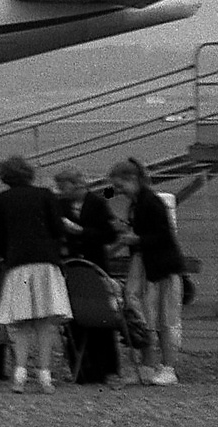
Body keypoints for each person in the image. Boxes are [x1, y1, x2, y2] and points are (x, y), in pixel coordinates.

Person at [0, 155, 71, 394]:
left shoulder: (1, 199)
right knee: (46, 322)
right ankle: (45, 375)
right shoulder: (46, 195)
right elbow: (57, 229)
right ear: (28, 173)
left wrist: (7, 256)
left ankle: (20, 373)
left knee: (21, 322)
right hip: (45, 263)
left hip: (18, 264)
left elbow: (0, 236)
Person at [109, 158, 183, 386]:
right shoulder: (138, 203)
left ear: (133, 180)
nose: (118, 192)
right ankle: (147, 368)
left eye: (120, 186)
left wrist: (136, 238)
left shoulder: (150, 202)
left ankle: (168, 368)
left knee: (163, 319)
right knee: (145, 319)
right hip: (145, 266)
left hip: (159, 269)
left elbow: (163, 236)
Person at [53, 166, 122, 384]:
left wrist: (81, 232)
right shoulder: (60, 205)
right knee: (75, 317)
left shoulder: (97, 204)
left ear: (77, 185)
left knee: (99, 315)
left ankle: (106, 368)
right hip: (71, 266)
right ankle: (79, 367)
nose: (60, 191)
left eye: (63, 187)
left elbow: (109, 234)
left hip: (95, 263)